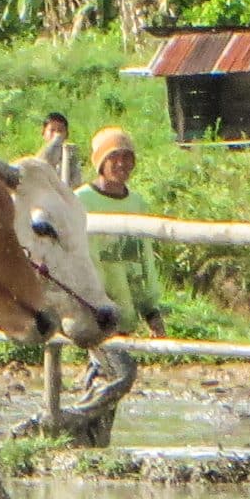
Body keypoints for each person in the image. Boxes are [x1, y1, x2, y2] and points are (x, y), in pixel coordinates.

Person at [74, 127, 171, 423]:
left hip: (124, 306)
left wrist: (150, 310)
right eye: (114, 157)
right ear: (100, 162)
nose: (122, 165)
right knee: (123, 372)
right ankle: (72, 419)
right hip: (93, 306)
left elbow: (141, 260)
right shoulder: (81, 201)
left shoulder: (136, 204)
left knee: (107, 374)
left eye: (128, 158)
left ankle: (90, 437)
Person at [36, 111, 82, 188]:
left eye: (60, 130)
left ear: (66, 134)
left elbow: (76, 183)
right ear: (43, 133)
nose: (57, 135)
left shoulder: (71, 156)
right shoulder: (38, 159)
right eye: (52, 130)